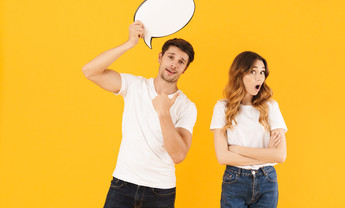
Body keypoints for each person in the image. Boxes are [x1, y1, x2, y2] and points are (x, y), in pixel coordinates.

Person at [82, 21, 197, 208]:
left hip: (160, 191)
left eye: (181, 62)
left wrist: (164, 113)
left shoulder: (186, 106)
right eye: (171, 57)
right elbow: (89, 71)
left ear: (185, 69)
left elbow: (178, 155)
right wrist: (129, 43)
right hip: (122, 185)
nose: (174, 64)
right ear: (160, 57)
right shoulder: (134, 86)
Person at [210, 51, 287, 208]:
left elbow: (280, 155)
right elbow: (223, 157)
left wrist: (237, 149)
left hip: (267, 182)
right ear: (239, 74)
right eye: (253, 71)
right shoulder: (222, 107)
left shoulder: (270, 107)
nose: (259, 77)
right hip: (235, 180)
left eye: (262, 72)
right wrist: (266, 156)